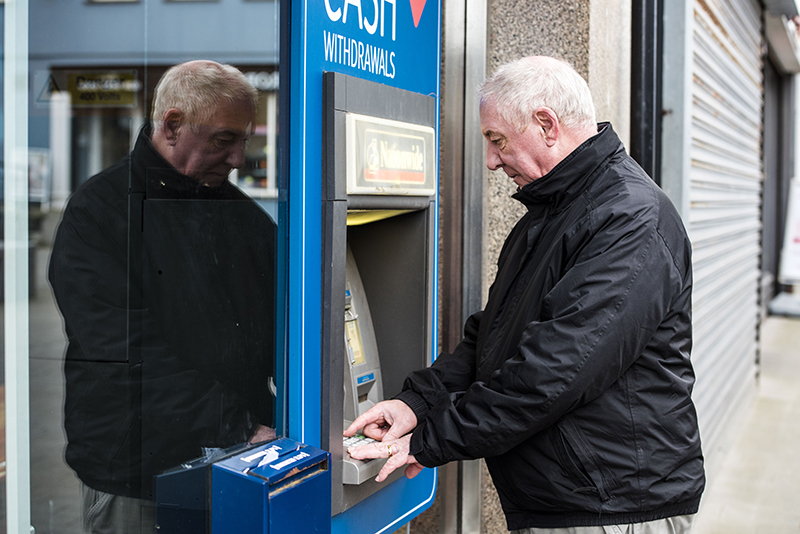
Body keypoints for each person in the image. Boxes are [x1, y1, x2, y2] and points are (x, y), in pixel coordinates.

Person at [345, 56, 705, 533]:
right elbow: (492, 337)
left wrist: (430, 440)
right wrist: (416, 404)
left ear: (546, 125)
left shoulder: (629, 219)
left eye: (497, 140)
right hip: (576, 498)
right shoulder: (556, 213)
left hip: (611, 507)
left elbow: (552, 373)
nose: (492, 160)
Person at [49, 60, 277, 533]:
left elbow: (283, 328)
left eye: (243, 141)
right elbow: (125, 351)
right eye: (223, 140)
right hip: (139, 473)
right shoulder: (100, 211)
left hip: (244, 460)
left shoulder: (244, 217)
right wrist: (239, 427)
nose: (238, 158)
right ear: (172, 125)